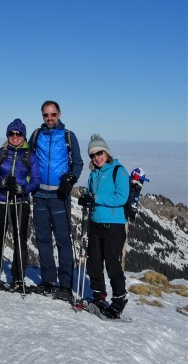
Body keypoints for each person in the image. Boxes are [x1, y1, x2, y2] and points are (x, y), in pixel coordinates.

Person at [29, 100, 83, 302]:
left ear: (59, 114)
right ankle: (48, 281)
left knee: (63, 240)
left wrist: (71, 179)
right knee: (43, 240)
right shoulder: (36, 135)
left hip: (60, 196)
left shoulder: (69, 136)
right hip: (40, 195)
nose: (49, 118)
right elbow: (29, 159)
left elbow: (77, 162)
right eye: (46, 115)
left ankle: (66, 285)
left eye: (52, 115)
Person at [79, 134, 130, 319]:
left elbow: (121, 197)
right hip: (94, 224)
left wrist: (96, 198)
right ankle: (98, 295)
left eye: (99, 153)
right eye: (92, 155)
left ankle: (119, 300)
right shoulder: (94, 173)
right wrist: (85, 198)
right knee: (94, 263)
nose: (96, 157)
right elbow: (90, 193)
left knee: (112, 264)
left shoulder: (119, 171)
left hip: (114, 226)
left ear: (106, 152)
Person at [0, 119, 40, 293]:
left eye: (19, 134)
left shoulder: (30, 155)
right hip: (1, 201)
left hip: (20, 202)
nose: (15, 136)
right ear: (7, 135)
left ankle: (18, 278)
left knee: (20, 240)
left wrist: (23, 188)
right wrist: (0, 183)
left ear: (24, 135)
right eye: (12, 133)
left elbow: (36, 180)